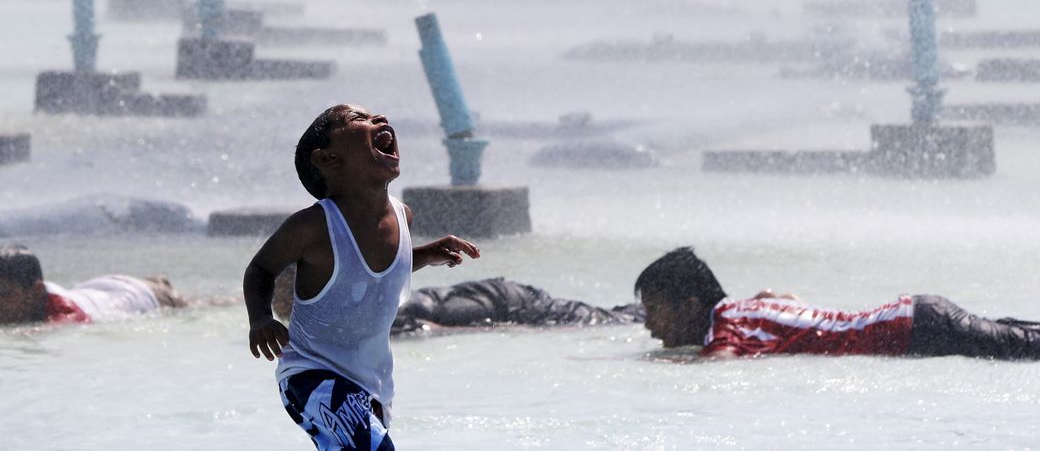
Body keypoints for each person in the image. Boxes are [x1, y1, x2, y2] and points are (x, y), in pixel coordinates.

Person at [244, 104, 481, 450]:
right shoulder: (313, 226)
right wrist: (260, 318)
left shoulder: (403, 216)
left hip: (373, 383)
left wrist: (425, 255)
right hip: (311, 375)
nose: (379, 119)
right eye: (358, 120)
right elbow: (261, 269)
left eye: (375, 116)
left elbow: (372, 272)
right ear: (328, 160)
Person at [634, 246, 1040, 359]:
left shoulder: (728, 328)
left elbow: (721, 364)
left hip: (913, 330)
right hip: (916, 320)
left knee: (1025, 347)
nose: (650, 325)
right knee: (1021, 339)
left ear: (689, 305)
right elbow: (786, 299)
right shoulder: (742, 309)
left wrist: (664, 364)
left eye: (654, 310)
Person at [272, 266, 643, 332]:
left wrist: (506, 330)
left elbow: (428, 327)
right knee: (602, 316)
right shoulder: (350, 302)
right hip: (485, 295)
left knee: (603, 321)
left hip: (500, 304)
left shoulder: (353, 319)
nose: (278, 305)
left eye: (283, 294)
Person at [0, 244, 189, 325]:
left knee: (204, 305)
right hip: (99, 289)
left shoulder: (62, 308)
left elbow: (66, 328)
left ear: (35, 292)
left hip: (141, 295)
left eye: (3, 295)